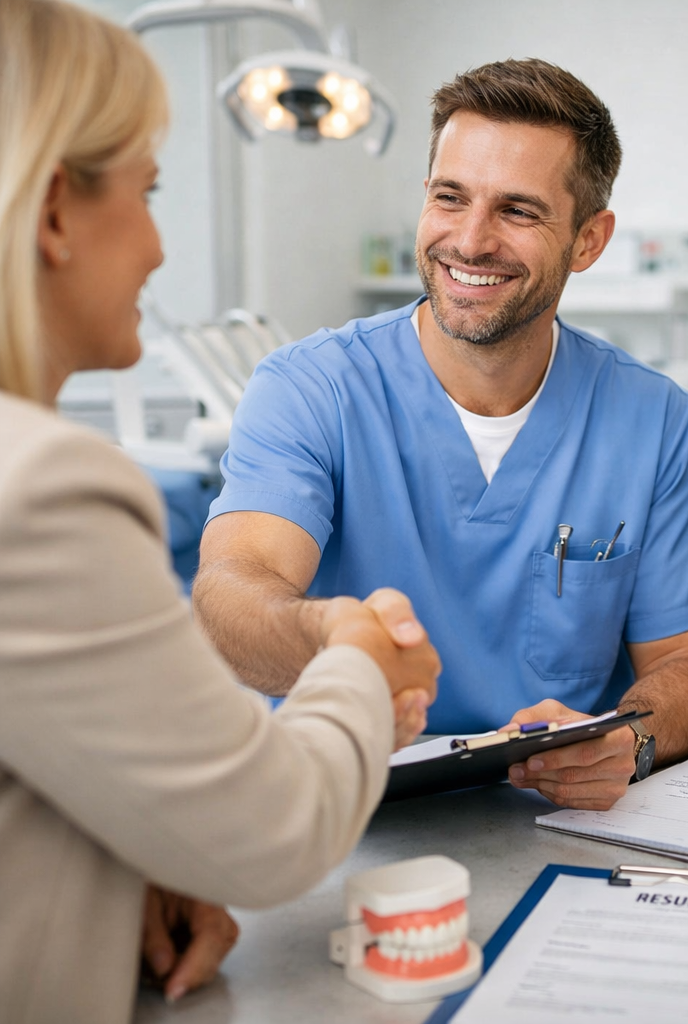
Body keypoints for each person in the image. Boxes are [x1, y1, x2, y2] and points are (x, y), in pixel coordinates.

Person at [0, 3, 440, 1022]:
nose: (159, 247)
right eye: (149, 193)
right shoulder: (45, 487)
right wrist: (357, 656)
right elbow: (275, 828)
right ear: (56, 211)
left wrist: (122, 860)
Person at [194, 58, 688, 811]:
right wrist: (331, 637)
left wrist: (627, 737)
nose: (471, 240)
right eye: (450, 198)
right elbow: (233, 589)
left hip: (555, 823)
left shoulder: (649, 418)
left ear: (589, 240)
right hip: (336, 811)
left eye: (518, 212)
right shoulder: (312, 388)